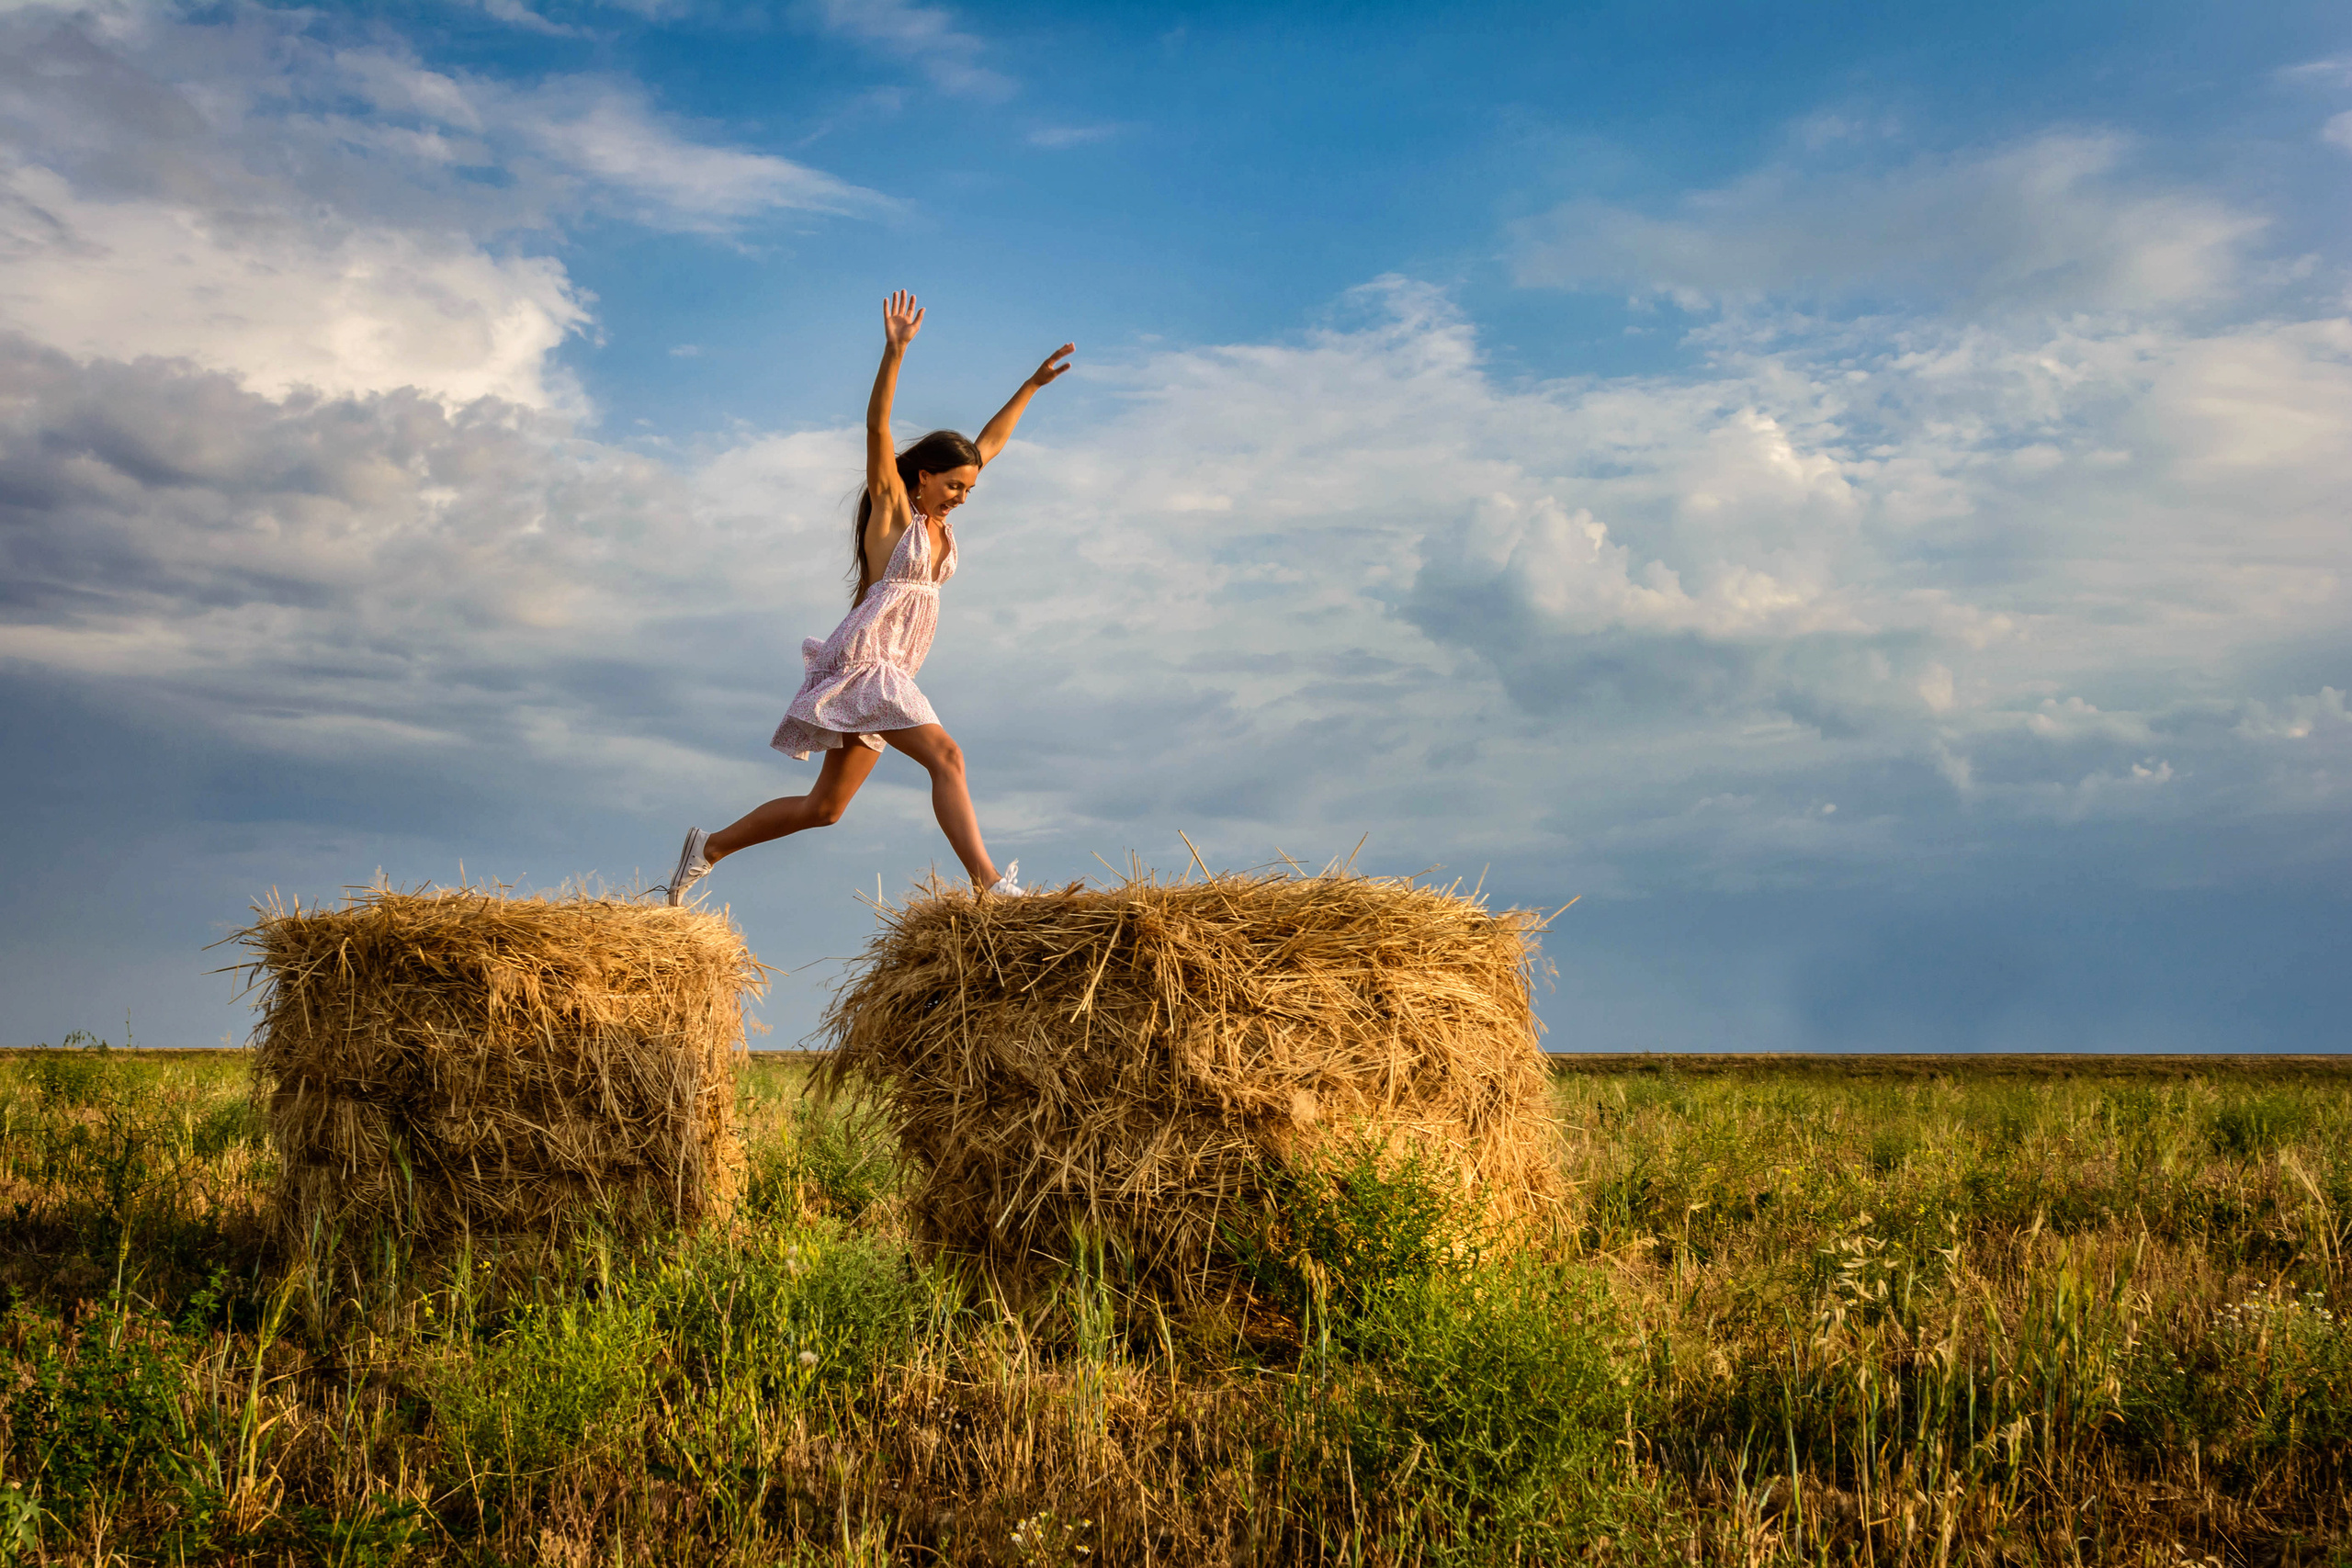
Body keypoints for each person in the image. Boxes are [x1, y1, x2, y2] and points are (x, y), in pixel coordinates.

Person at [666, 290, 1072, 907]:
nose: (963, 496)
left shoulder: (945, 521)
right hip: (868, 664)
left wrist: (1032, 386)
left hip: (892, 668)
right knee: (948, 756)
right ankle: (992, 885)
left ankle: (710, 847)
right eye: (954, 485)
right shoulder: (892, 513)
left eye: (969, 488)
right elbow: (878, 426)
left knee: (825, 808)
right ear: (922, 477)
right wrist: (895, 352)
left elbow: (990, 442)